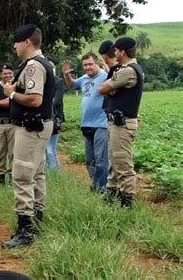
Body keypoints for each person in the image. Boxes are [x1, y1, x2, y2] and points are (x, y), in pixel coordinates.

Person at [1, 24, 54, 248]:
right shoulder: (41, 64)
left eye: (16, 42)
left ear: (27, 42)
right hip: (40, 126)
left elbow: (34, 99)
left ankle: (25, 229)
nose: (14, 46)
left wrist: (11, 93)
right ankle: (37, 218)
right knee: (37, 173)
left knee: (22, 175)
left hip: (31, 128)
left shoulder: (33, 66)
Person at [98, 37, 144, 209]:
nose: (114, 53)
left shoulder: (128, 71)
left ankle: (126, 203)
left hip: (122, 124)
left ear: (123, 52)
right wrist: (111, 89)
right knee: (115, 161)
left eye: (116, 50)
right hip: (118, 123)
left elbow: (101, 88)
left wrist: (109, 88)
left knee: (122, 163)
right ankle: (113, 194)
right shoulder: (131, 69)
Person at [62, 52, 109, 193]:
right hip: (86, 124)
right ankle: (96, 185)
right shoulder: (84, 78)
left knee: (101, 160)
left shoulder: (105, 76)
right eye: (85, 65)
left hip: (102, 124)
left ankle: (103, 189)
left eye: (90, 64)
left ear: (97, 63)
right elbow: (72, 85)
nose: (88, 67)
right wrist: (66, 75)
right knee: (90, 161)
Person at [45, 57, 66, 171]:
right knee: (43, 150)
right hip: (44, 118)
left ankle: (55, 175)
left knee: (50, 150)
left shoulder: (59, 82)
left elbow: (56, 101)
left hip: (55, 119)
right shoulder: (42, 82)